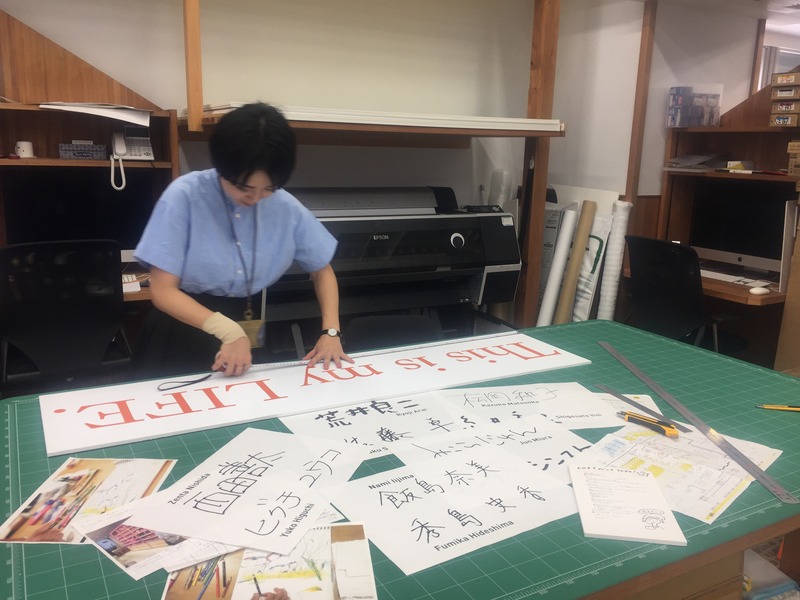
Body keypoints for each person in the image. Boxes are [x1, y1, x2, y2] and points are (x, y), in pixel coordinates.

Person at [133, 102, 351, 378]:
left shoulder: (286, 207)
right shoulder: (185, 196)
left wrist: (331, 332)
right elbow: (162, 290)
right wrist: (229, 332)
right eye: (243, 187)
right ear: (221, 166)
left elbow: (322, 270)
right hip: (182, 327)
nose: (255, 197)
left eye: (268, 188)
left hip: (246, 327)